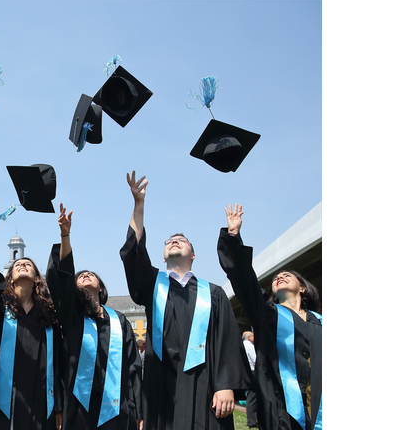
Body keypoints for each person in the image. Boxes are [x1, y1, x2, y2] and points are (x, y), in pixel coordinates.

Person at [120, 171, 250, 430]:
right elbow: (133, 252)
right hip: (161, 386)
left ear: (193, 255)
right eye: (168, 241)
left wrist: (225, 385)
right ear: (164, 255)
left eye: (181, 240)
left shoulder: (212, 294)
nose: (173, 241)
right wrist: (139, 206)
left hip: (205, 383)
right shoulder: (152, 285)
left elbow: (226, 340)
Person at [217, 204, 322, 430]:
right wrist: (234, 237)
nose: (280, 277)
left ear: (303, 288)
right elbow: (244, 280)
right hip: (283, 409)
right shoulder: (267, 314)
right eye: (276, 277)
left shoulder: (320, 322)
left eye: (287, 275)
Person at [0, 202, 63, 430]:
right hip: (3, 399)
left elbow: (58, 363)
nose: (22, 265)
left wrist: (58, 403)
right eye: (17, 264)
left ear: (37, 279)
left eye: (27, 264)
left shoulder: (49, 315)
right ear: (9, 280)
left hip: (41, 399)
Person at [46, 203, 143, 430]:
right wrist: (65, 234)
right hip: (79, 405)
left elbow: (133, 367)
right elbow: (62, 277)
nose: (86, 274)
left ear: (101, 288)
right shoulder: (72, 316)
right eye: (80, 276)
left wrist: (138, 409)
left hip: (117, 406)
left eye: (91, 275)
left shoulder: (119, 321)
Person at [241, 331, 258, 428]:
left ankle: (252, 420)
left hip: (245, 373)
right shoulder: (250, 346)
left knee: (250, 397)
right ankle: (251, 421)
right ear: (249, 337)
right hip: (253, 372)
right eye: (253, 335)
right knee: (253, 397)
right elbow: (255, 360)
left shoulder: (241, 345)